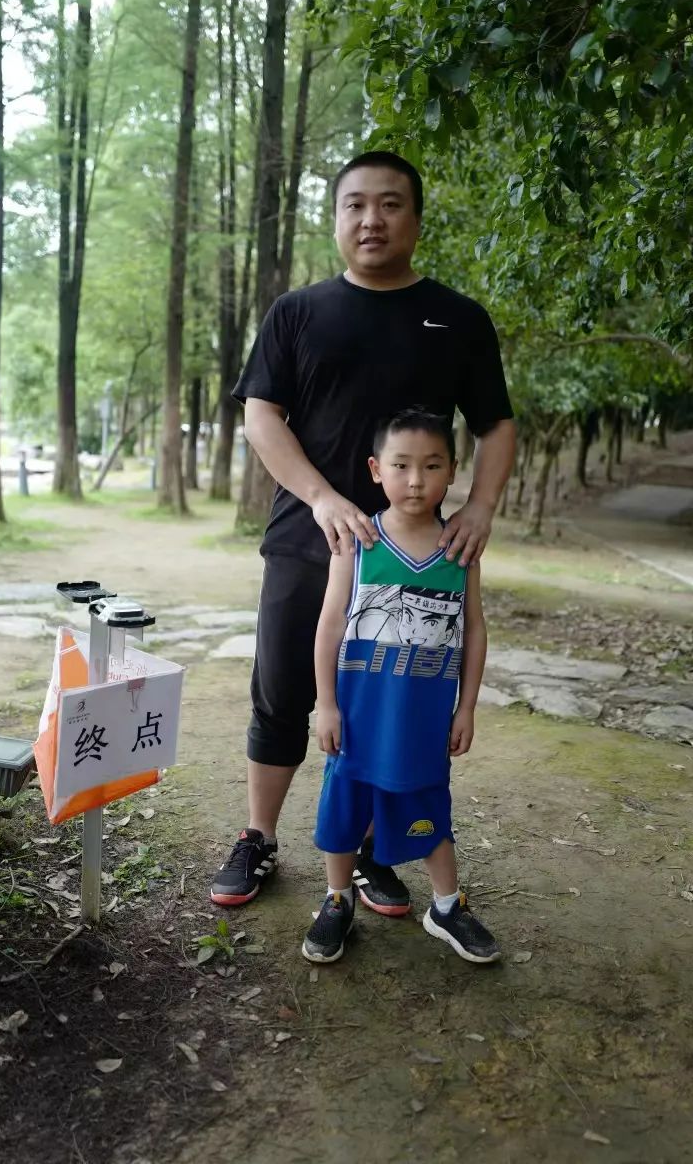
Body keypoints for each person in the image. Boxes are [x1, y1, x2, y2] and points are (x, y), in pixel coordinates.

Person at [209, 150, 515, 915]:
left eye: (389, 204)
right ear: (337, 217)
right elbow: (260, 415)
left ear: (415, 217)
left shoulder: (459, 319)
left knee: (397, 704)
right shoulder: (297, 312)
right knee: (283, 688)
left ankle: (380, 854)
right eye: (354, 205)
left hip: (416, 557)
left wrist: (478, 507)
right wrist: (318, 497)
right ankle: (258, 837)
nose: (371, 219)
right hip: (308, 539)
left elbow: (497, 425)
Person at [304, 407, 499, 964]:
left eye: (432, 465)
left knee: (431, 806)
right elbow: (329, 626)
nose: (416, 480)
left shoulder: (460, 549)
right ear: (375, 469)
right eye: (402, 465)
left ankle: (445, 906)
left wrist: (466, 708)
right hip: (359, 718)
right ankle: (338, 900)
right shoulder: (357, 542)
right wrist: (326, 705)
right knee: (345, 808)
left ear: (452, 471)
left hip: (426, 721)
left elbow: (475, 628)